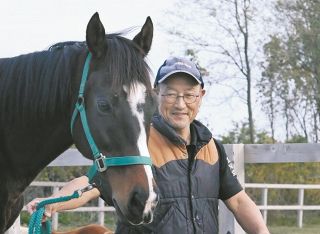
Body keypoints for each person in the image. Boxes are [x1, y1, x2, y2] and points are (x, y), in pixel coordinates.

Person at [27, 56, 270, 234]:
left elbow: (238, 201)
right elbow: (90, 183)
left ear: (201, 97)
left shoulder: (211, 147)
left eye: (189, 95)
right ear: (155, 94)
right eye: (171, 94)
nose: (180, 104)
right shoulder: (138, 143)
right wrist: (53, 202)